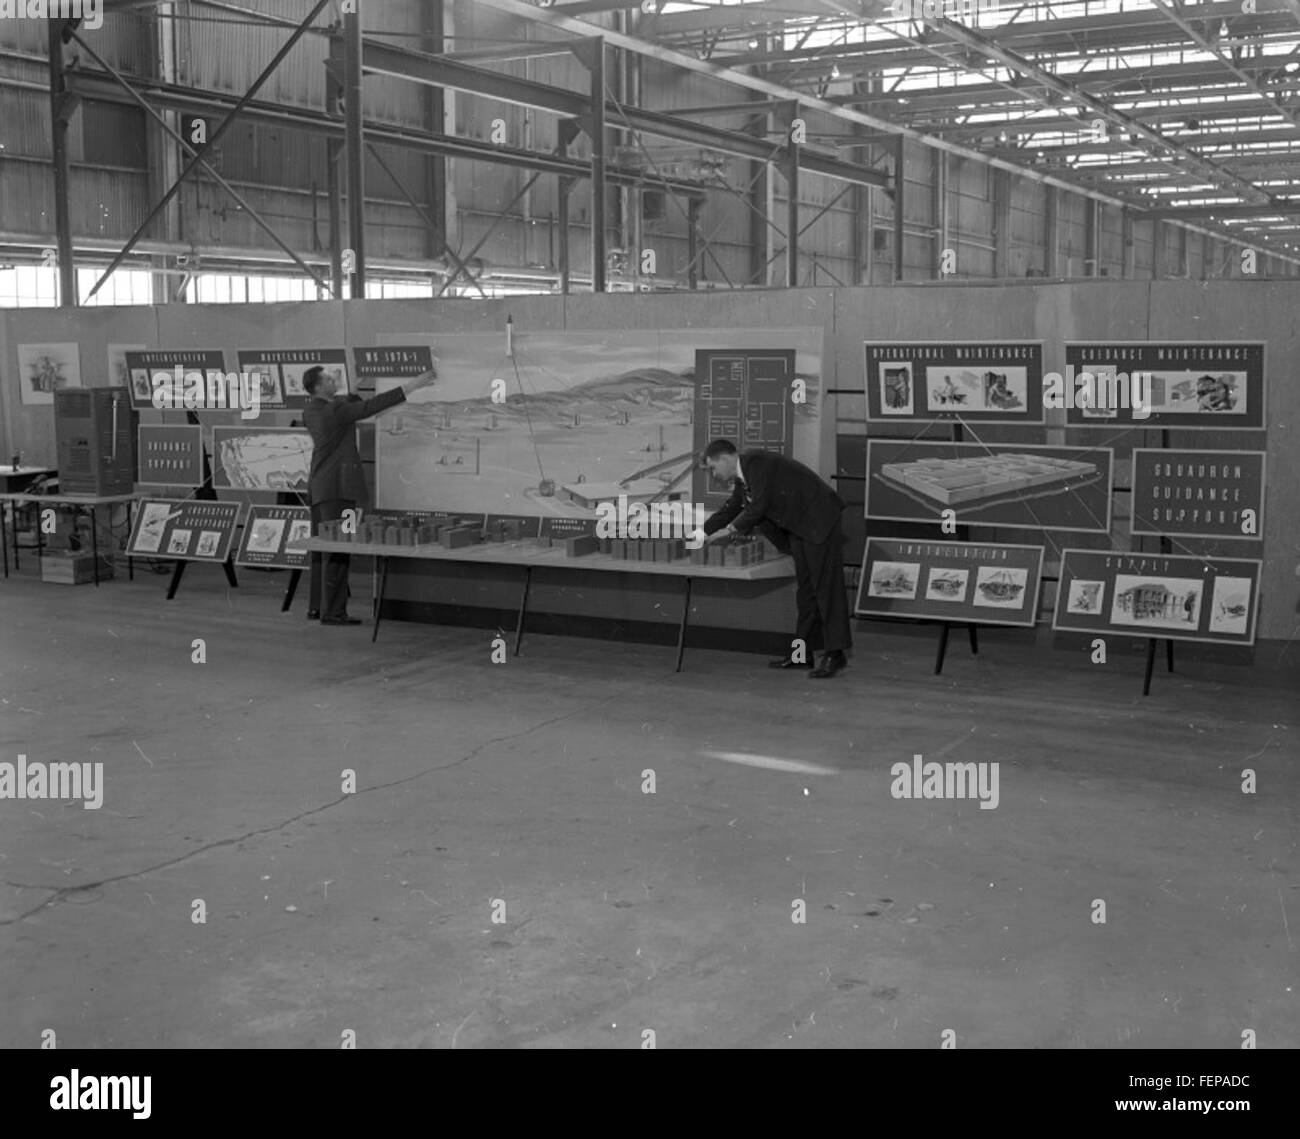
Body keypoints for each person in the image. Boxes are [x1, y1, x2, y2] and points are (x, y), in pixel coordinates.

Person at [701, 439, 851, 678]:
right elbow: (733, 507)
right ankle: (802, 655)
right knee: (807, 592)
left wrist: (729, 531)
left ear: (725, 459)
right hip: (801, 527)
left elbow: (759, 506)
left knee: (826, 590)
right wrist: (700, 533)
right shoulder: (745, 476)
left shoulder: (755, 463)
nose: (714, 474)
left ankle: (836, 654)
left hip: (819, 521)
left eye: (713, 467)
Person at [302, 363, 437, 625]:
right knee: (339, 550)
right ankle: (334, 613)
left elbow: (347, 408)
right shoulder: (335, 410)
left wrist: (351, 387)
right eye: (330, 379)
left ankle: (317, 608)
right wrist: (412, 385)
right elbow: (368, 407)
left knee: (322, 550)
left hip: (321, 487)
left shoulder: (312, 410)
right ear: (319, 386)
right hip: (339, 490)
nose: (334, 380)